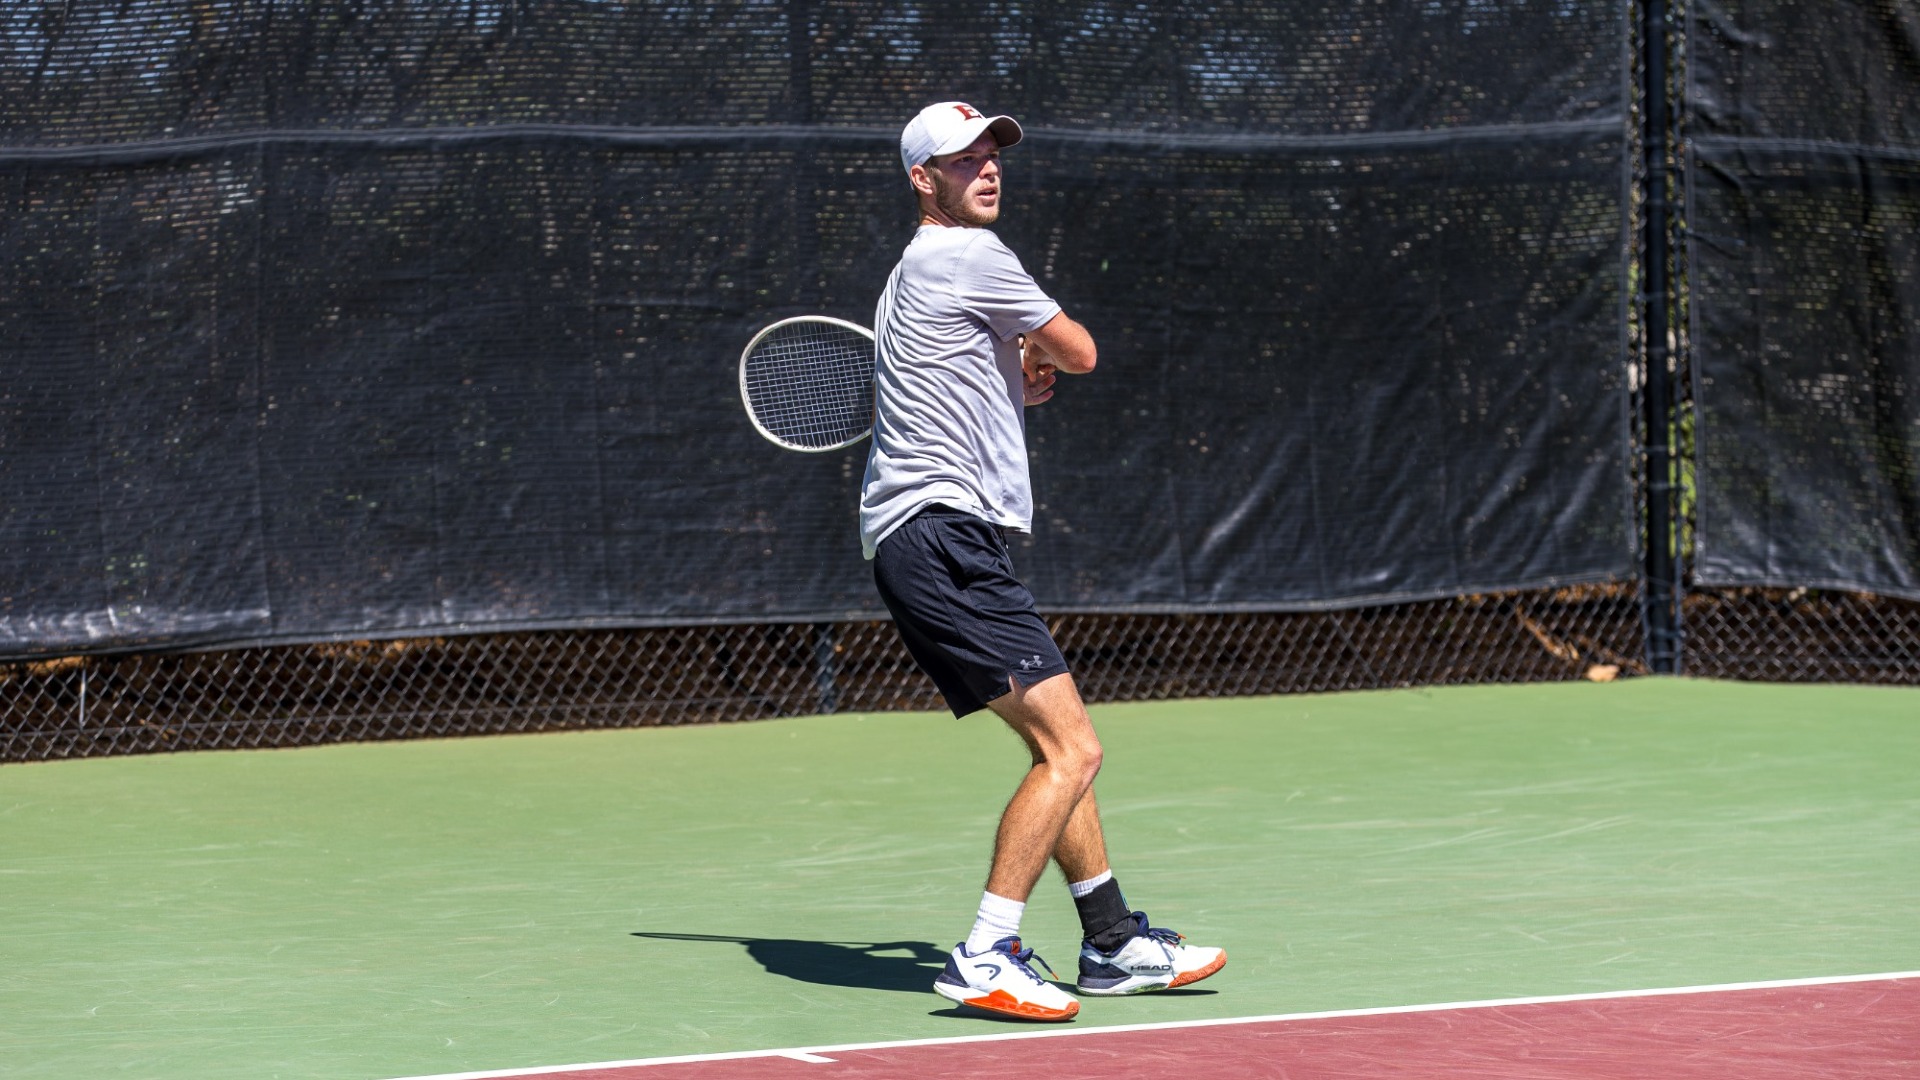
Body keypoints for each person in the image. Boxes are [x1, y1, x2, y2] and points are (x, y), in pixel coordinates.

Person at [861, 101, 1226, 1022]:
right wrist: (1036, 347)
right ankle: (986, 951)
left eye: (992, 153)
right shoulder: (974, 256)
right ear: (923, 180)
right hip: (943, 536)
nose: (987, 168)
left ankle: (1110, 943)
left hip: (926, 540)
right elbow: (1082, 351)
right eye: (962, 159)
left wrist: (1010, 369)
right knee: (1075, 748)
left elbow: (972, 376)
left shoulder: (910, 274)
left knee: (1053, 746)